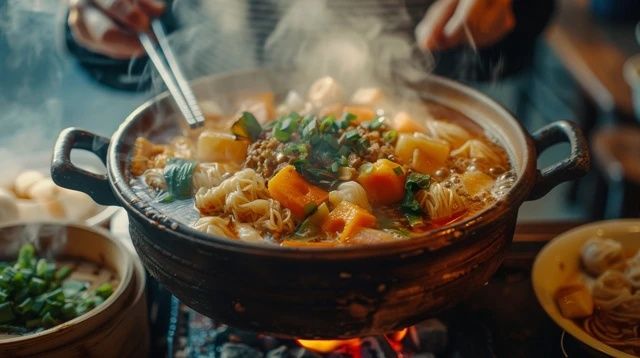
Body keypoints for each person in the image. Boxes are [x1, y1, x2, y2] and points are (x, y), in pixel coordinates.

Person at [66, 0, 554, 93]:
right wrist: (96, 25)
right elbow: (126, 54)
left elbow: (523, 29)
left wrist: (501, 15)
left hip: (416, 94)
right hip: (200, 98)